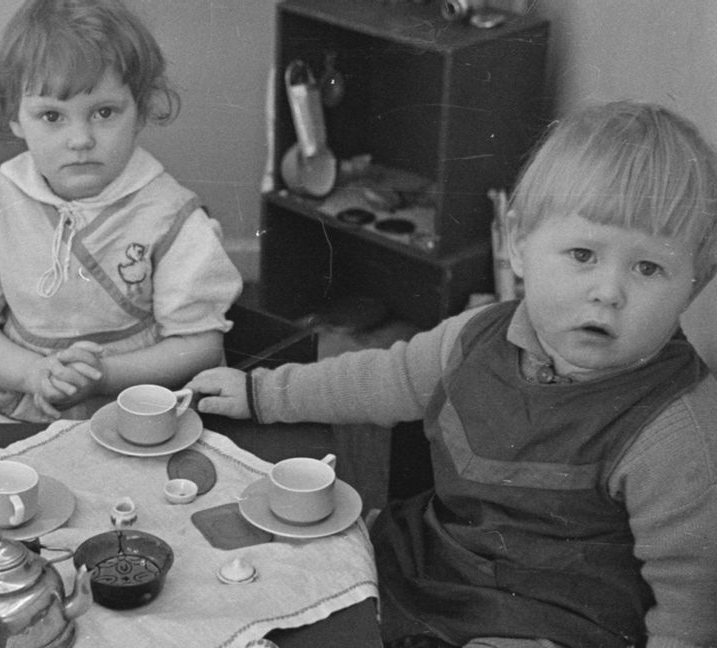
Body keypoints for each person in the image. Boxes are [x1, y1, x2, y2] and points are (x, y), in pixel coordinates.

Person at [187, 101, 717, 648]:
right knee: (287, 575)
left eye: (648, 268)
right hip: (428, 559)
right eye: (583, 254)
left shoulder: (678, 433)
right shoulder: (473, 337)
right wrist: (264, 392)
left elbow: (693, 601)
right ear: (519, 245)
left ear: (694, 285)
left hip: (554, 622)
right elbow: (380, 381)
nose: (609, 292)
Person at [0, 0, 243, 424]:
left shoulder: (173, 217)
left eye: (104, 112)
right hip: (5, 405)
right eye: (52, 116)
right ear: (15, 117)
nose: (80, 139)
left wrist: (105, 375)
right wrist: (32, 374)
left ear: (142, 109)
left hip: (131, 405)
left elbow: (198, 344)